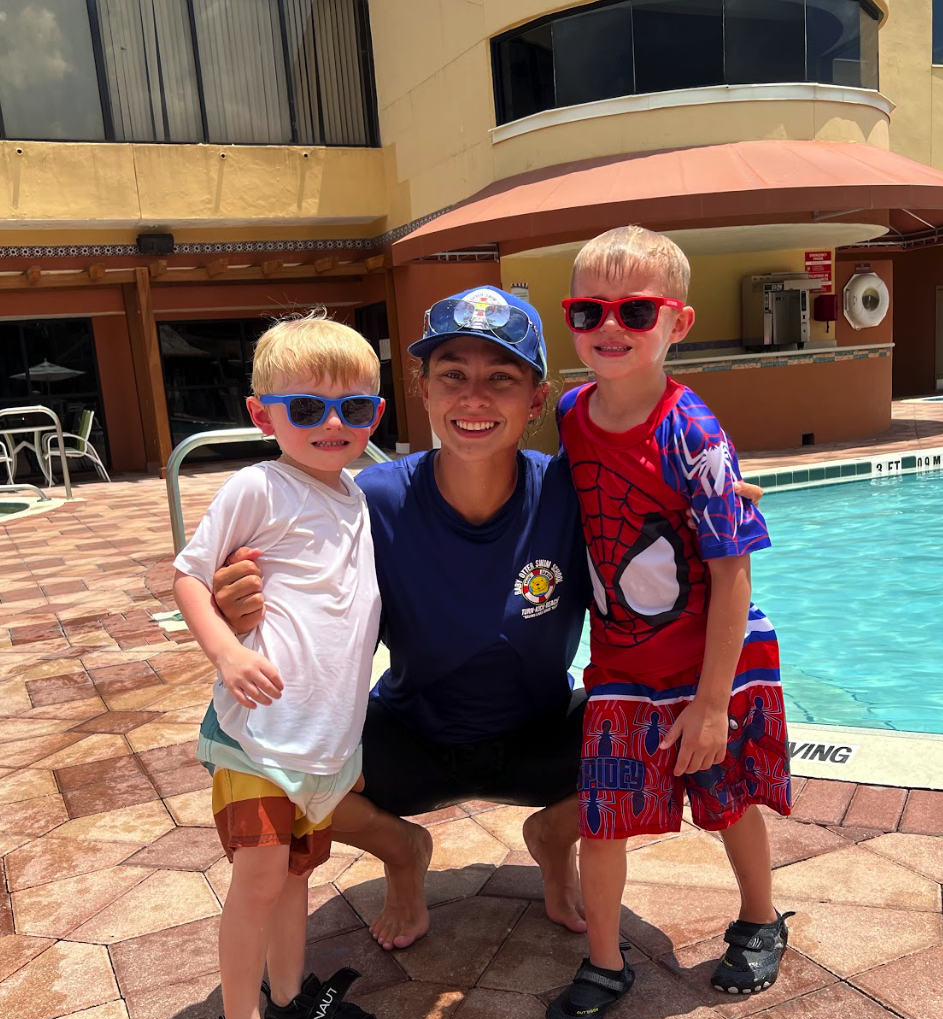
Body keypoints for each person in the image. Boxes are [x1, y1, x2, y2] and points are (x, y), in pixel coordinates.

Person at [211, 285, 764, 957]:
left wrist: (708, 499)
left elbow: (662, 536)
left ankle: (553, 840)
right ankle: (402, 850)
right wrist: (234, 597)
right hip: (411, 739)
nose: (474, 398)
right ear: (422, 389)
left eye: (501, 379)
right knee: (277, 768)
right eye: (453, 376)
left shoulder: (572, 494)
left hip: (541, 736)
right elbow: (287, 574)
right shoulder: (370, 502)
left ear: (536, 401)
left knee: (664, 734)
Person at [545, 226, 793, 1019]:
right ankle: (606, 961)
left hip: (711, 662)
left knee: (725, 802)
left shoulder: (695, 435)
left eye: (636, 311)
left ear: (677, 323)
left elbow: (732, 575)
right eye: (589, 310)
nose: (609, 327)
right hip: (622, 660)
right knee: (603, 818)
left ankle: (760, 919)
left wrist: (714, 703)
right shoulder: (571, 414)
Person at [173, 311, 382, 1019]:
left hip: (322, 740)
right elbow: (189, 576)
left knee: (295, 876)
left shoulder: (357, 495)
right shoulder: (258, 486)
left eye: (356, 410)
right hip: (260, 734)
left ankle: (290, 998)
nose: (334, 426)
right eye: (308, 409)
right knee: (260, 878)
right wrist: (226, 652)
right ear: (264, 416)